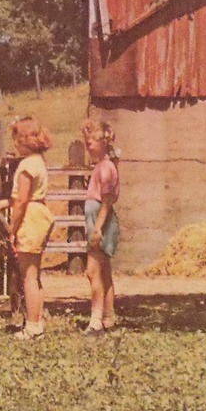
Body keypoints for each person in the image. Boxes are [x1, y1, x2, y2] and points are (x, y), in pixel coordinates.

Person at [0, 115, 56, 339]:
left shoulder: (26, 166)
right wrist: (5, 203)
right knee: (33, 274)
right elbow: (25, 197)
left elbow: (23, 201)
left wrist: (12, 230)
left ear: (24, 140)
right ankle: (37, 322)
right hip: (40, 212)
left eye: (16, 139)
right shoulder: (38, 161)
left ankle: (33, 327)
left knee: (28, 275)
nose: (14, 144)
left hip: (30, 218)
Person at [80, 118, 121, 335]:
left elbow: (106, 201)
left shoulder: (106, 168)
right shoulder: (103, 166)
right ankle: (108, 317)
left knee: (92, 271)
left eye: (91, 142)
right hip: (97, 218)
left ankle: (95, 320)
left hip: (100, 220)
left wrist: (97, 228)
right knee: (104, 272)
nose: (88, 146)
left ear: (104, 142)